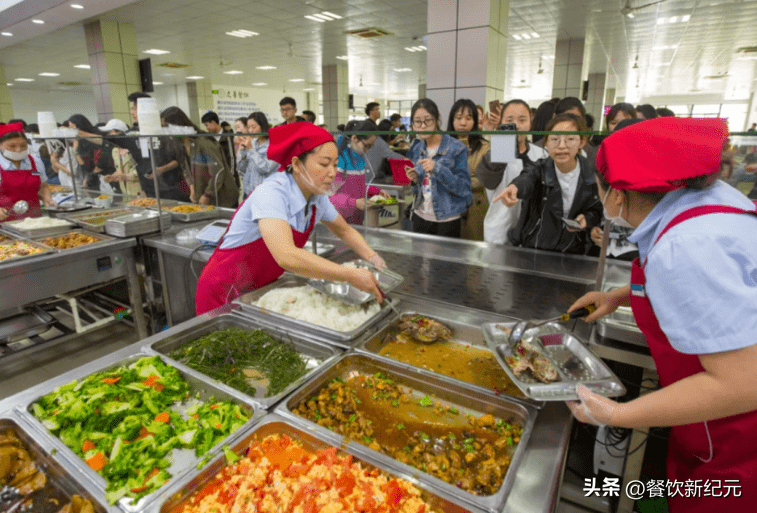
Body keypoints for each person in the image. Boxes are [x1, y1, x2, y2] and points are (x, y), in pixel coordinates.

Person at [567, 117, 757, 513]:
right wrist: (619, 295)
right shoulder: (713, 202)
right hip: (709, 432)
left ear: (617, 195)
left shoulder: (686, 247)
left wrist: (617, 414)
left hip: (736, 447)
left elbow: (742, 384)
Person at [195, 122, 387, 314]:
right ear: (296, 164)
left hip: (258, 290)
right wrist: (350, 275)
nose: (332, 172)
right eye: (324, 164)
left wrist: (373, 257)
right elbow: (286, 255)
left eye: (335, 164)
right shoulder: (271, 192)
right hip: (223, 291)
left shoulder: (316, 196)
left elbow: (344, 230)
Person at [494, 113, 602, 254]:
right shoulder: (539, 168)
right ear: (546, 142)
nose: (561, 146)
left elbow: (596, 210)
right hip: (534, 248)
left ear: (582, 142)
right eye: (555, 139)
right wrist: (514, 188)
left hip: (572, 252)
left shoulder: (592, 176)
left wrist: (587, 219)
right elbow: (527, 178)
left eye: (570, 139)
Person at [476, 99, 548, 244]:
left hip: (531, 233)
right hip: (499, 230)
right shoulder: (499, 152)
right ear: (501, 122)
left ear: (530, 122)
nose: (517, 125)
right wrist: (500, 138)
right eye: (509, 120)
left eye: (522, 120)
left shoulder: (541, 154)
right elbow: (487, 178)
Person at [405, 98, 472, 238]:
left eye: (427, 120)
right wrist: (415, 180)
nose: (422, 126)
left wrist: (438, 168)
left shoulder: (457, 147)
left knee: (444, 260)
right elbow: (421, 189)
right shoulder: (417, 147)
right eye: (417, 121)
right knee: (419, 259)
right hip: (420, 216)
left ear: (436, 120)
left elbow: (464, 188)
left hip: (447, 219)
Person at [161, 107, 239, 207]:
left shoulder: (203, 142)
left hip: (223, 198)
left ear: (177, 124)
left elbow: (217, 172)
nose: (165, 131)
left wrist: (207, 195)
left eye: (167, 126)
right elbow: (186, 168)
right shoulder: (181, 144)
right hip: (204, 198)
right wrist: (192, 188)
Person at [332, 120, 390, 225]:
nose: (367, 150)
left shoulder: (359, 157)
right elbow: (329, 196)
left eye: (370, 147)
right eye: (366, 145)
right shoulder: (339, 161)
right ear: (354, 138)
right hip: (339, 223)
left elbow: (356, 187)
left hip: (357, 220)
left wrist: (375, 191)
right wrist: (353, 203)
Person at [447, 99, 489, 241]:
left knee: (472, 254)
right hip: (447, 208)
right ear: (452, 120)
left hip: (475, 208)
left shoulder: (484, 147)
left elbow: (486, 178)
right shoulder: (443, 145)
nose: (463, 123)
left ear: (475, 122)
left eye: (468, 118)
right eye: (458, 118)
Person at [0, 123, 55, 221]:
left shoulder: (34, 162)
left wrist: (47, 198)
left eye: (23, 145)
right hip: (5, 223)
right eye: (12, 146)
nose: (18, 150)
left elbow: (42, 185)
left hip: (34, 220)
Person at [238, 112, 278, 198]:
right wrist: (243, 153)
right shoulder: (253, 142)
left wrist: (251, 150)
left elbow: (265, 169)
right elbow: (242, 169)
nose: (251, 130)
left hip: (264, 194)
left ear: (263, 126)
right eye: (248, 127)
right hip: (248, 191)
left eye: (253, 127)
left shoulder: (274, 145)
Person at [202, 111, 239, 188]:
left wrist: (231, 176)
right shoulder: (208, 138)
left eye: (207, 125)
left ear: (213, 122)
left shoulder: (228, 135)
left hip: (229, 176)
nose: (206, 128)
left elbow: (232, 157)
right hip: (215, 177)